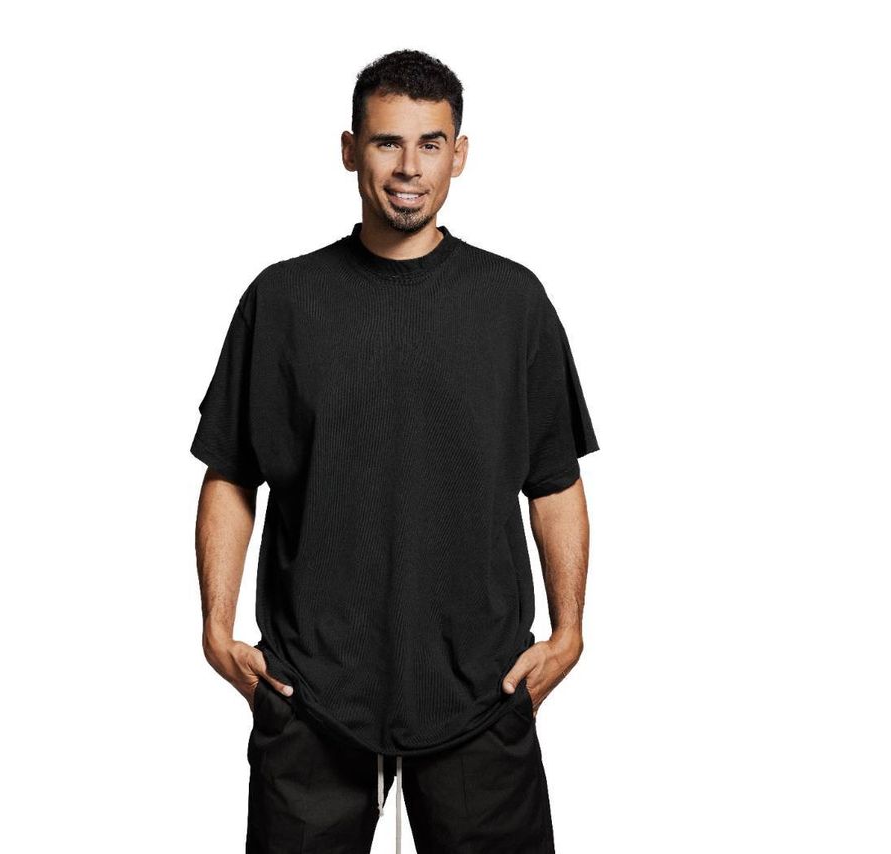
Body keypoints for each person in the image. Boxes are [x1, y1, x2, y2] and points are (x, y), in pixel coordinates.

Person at [191, 49, 599, 853]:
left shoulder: (512, 302)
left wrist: (569, 631)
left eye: (430, 143)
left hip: (481, 692)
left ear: (460, 154)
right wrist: (215, 627)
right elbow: (231, 473)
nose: (410, 167)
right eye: (387, 142)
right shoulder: (283, 300)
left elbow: (554, 481)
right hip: (311, 696)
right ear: (350, 150)